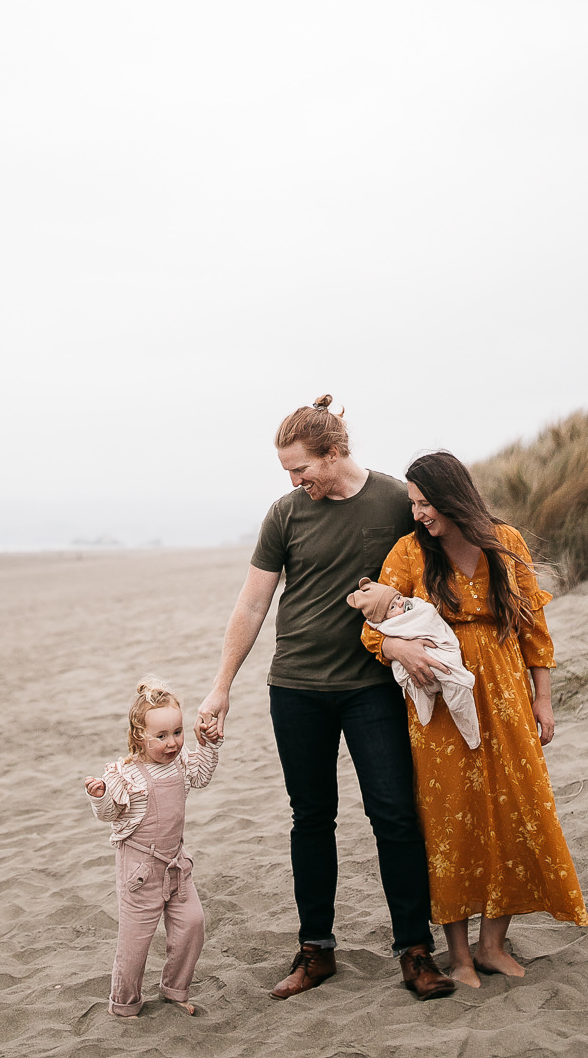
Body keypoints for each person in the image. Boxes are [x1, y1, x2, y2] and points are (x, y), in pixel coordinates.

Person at [194, 397, 454, 1002]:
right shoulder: (285, 514)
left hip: (370, 687)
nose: (294, 481)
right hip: (296, 690)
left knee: (393, 814)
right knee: (311, 819)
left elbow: (431, 566)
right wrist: (221, 686)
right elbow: (253, 603)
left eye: (301, 468)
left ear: (335, 453)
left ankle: (415, 950)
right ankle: (316, 951)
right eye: (287, 472)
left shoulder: (394, 500)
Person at [360, 449, 588, 989]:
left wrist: (543, 698)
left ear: (453, 497)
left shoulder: (505, 543)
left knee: (515, 808)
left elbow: (533, 627)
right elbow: (370, 631)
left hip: (506, 693)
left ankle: (492, 944)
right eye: (412, 504)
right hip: (439, 705)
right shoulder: (409, 554)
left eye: (424, 504)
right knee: (449, 820)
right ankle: (459, 955)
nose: (417, 514)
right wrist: (400, 648)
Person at [85, 677, 221, 1017]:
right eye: (161, 736)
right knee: (135, 943)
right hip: (140, 871)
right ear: (139, 738)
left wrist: (208, 745)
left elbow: (202, 776)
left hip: (176, 864)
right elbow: (110, 815)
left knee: (192, 924)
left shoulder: (180, 762)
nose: (172, 742)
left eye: (177, 732)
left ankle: (175, 989)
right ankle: (125, 1004)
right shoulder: (127, 775)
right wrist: (99, 796)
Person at [346, 578, 480, 747]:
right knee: (448, 679)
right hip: (424, 661)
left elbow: (427, 615)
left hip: (449, 652)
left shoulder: (414, 606)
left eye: (398, 598)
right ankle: (433, 698)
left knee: (452, 682)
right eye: (392, 607)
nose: (400, 604)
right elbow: (371, 634)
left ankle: (467, 723)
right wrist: (396, 647)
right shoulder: (384, 624)